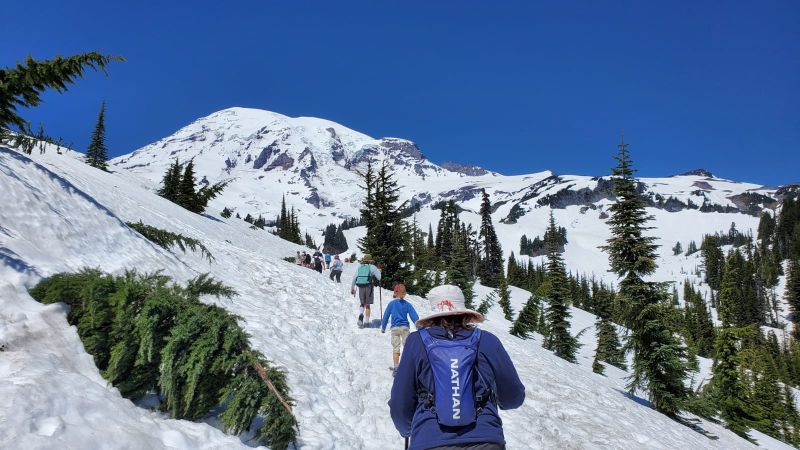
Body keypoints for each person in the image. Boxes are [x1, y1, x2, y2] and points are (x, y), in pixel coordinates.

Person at [389, 285, 525, 450]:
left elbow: (399, 403)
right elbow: (513, 397)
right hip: (486, 440)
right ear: (464, 312)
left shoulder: (416, 342)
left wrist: (407, 430)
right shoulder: (488, 341)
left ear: (433, 313)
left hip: (429, 440)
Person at [381, 284, 419, 377]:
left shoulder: (391, 304)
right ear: (404, 293)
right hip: (405, 328)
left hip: (395, 329)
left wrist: (383, 327)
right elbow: (414, 316)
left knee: (396, 348)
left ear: (395, 292)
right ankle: (408, 367)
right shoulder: (407, 304)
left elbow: (386, 315)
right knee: (407, 347)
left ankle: (396, 367)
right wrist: (418, 325)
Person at [350, 254, 381, 328]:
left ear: (364, 260)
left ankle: (361, 315)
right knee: (367, 305)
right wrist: (379, 271)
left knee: (362, 303)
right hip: (368, 286)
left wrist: (352, 288)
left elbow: (354, 278)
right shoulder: (372, 267)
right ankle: (366, 323)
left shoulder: (360, 267)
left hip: (360, 286)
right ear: (370, 260)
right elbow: (379, 277)